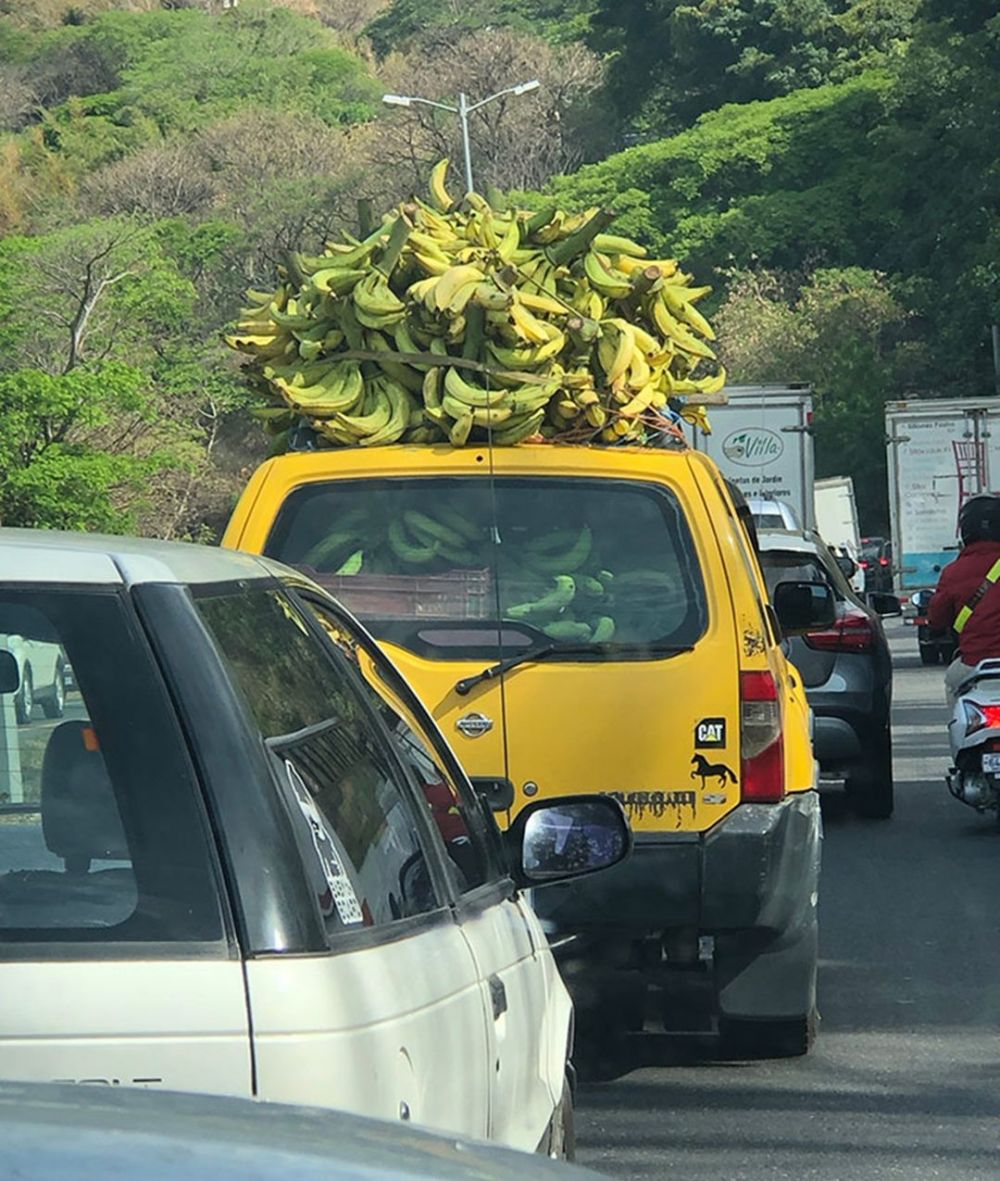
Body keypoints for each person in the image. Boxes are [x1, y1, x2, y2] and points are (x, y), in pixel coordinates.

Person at [928, 495, 1000, 704]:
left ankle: (959, 733)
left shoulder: (953, 573)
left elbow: (938, 618)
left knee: (953, 683)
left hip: (974, 663)